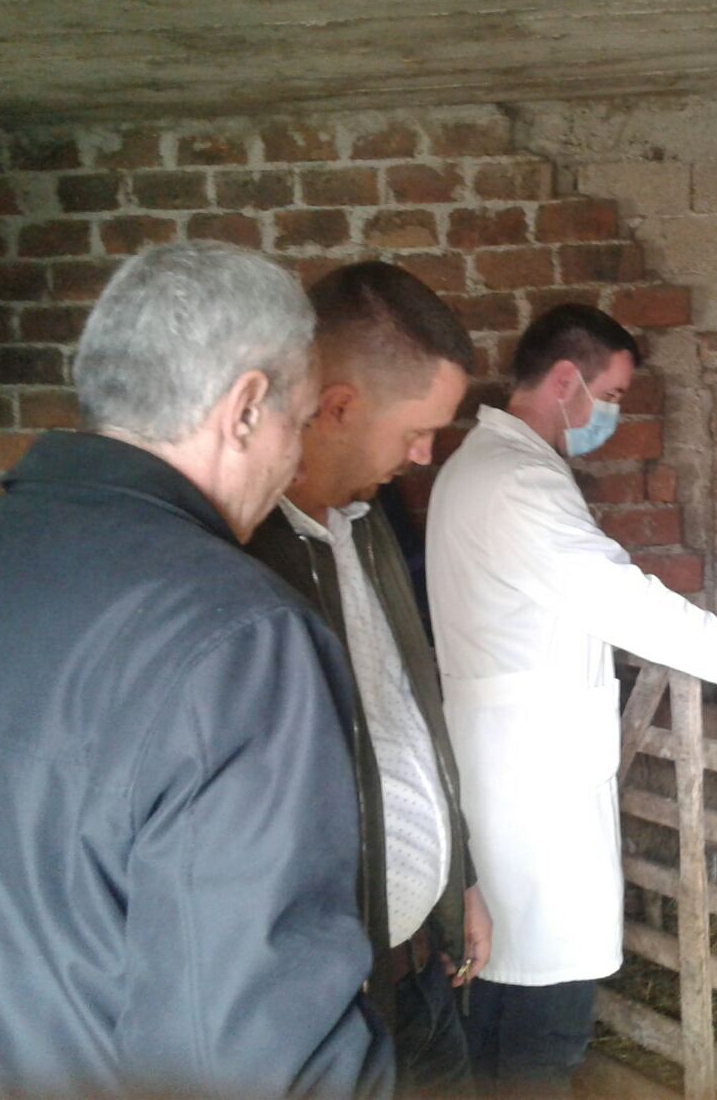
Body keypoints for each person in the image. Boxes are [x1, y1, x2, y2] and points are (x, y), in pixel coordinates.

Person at [0, 242, 389, 1098]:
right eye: (300, 422)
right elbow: (247, 1059)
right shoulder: (241, 641)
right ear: (244, 409)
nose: (299, 462)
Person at [425, 303, 717, 1095]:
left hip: (517, 778)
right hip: (533, 796)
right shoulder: (516, 481)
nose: (614, 415)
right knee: (539, 1030)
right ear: (566, 380)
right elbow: (618, 597)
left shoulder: (487, 469)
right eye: (613, 396)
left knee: (502, 1008)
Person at [246, 261, 488, 1095]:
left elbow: (410, 716)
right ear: (341, 406)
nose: (425, 456)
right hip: (334, 1001)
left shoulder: (369, 520)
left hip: (419, 966)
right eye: (417, 431)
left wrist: (458, 884)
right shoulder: (244, 557)